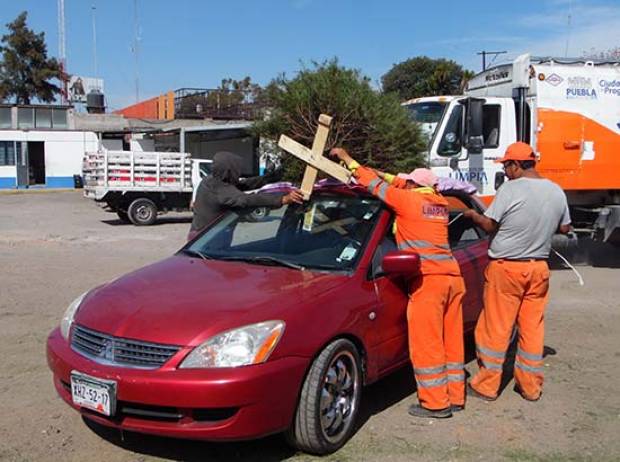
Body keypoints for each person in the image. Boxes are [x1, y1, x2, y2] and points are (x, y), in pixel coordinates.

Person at [330, 147, 466, 419]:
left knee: (427, 344)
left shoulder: (407, 202)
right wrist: (385, 173)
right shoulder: (439, 203)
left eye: (409, 182)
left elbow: (374, 185)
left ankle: (435, 404)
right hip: (452, 279)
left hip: (428, 281)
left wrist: (347, 159)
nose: (405, 183)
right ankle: (455, 396)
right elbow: (397, 182)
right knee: (451, 342)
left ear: (415, 186)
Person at [463, 141, 571, 402]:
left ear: (517, 165)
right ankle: (530, 387)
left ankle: (486, 386)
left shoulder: (510, 189)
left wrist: (471, 215)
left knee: (496, 328)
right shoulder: (556, 191)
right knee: (532, 328)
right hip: (538, 269)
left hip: (507, 268)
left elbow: (489, 225)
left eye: (507, 165)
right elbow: (565, 229)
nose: (506, 171)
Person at [188, 151, 303, 240]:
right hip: (205, 240)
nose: (239, 173)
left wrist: (272, 178)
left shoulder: (212, 180)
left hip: (205, 236)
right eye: (236, 170)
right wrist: (282, 199)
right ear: (229, 170)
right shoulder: (220, 189)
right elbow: (246, 199)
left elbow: (245, 184)